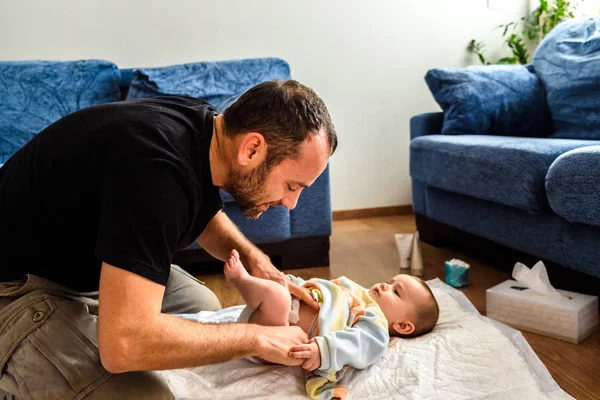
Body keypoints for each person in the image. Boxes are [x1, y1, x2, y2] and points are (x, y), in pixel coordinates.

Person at [0, 80, 337, 399]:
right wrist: (258, 337)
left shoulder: (203, 127)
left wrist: (255, 261)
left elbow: (199, 207)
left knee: (201, 306)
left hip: (83, 259)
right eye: (292, 186)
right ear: (252, 149)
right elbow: (123, 347)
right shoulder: (154, 174)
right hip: (16, 287)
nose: (291, 203)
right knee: (146, 395)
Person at [223, 249, 440, 400]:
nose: (385, 285)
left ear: (403, 326)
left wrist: (323, 349)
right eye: (390, 281)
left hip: (275, 338)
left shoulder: (376, 327)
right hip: (272, 312)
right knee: (279, 289)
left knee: (276, 296)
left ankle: (240, 281)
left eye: (396, 292)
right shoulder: (354, 293)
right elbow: (322, 289)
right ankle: (253, 288)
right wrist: (295, 285)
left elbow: (357, 345)